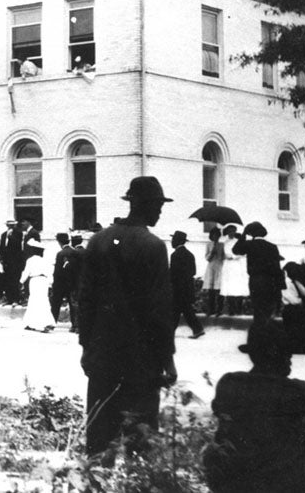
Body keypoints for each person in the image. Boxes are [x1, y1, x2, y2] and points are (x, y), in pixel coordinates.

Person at [78, 176, 177, 460]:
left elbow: (86, 301)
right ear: (146, 205)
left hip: (103, 353)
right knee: (141, 435)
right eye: (158, 205)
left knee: (99, 433)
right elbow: (160, 308)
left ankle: (95, 483)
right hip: (140, 357)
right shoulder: (153, 246)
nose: (159, 211)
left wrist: (87, 347)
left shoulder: (98, 241)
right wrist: (167, 358)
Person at [203, 321, 305, 492]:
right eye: (287, 353)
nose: (290, 359)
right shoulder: (296, 391)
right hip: (282, 483)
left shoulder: (229, 384)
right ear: (278, 354)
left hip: (236, 481)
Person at [232, 221, 286, 327]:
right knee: (268, 309)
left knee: (258, 309)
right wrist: (280, 287)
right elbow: (277, 268)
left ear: (251, 233)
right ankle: (267, 334)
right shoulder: (272, 247)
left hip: (255, 281)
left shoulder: (249, 245)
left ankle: (259, 334)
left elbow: (235, 250)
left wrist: (243, 234)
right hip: (270, 282)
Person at [169, 231, 205, 339]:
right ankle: (197, 329)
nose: (172, 241)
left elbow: (173, 273)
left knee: (178, 311)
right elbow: (193, 271)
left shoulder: (175, 255)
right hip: (187, 287)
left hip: (178, 288)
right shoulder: (190, 255)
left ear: (178, 241)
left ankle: (169, 332)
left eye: (173, 239)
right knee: (184, 310)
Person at [20, 239, 55, 332]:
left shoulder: (30, 260)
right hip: (44, 281)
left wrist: (21, 281)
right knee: (43, 300)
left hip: (35, 281)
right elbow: (50, 273)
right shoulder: (45, 261)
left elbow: (26, 272)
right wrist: (50, 284)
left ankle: (38, 323)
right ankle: (37, 322)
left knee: (34, 300)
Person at [280, 262, 305, 354]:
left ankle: (297, 347)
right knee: (294, 329)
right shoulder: (288, 283)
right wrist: (301, 302)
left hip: (292, 308)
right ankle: (297, 347)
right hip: (292, 308)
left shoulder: (292, 282)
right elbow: (294, 298)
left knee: (293, 329)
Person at [219, 224, 248, 315]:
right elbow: (226, 255)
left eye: (233, 231)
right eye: (230, 231)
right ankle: (231, 310)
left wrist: (235, 256)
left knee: (238, 287)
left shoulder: (238, 241)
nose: (232, 233)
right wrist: (235, 256)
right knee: (229, 287)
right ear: (227, 232)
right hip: (228, 267)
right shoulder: (224, 242)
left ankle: (238, 309)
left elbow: (243, 253)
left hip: (237, 267)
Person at [50, 233, 76, 323]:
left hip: (60, 283)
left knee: (56, 304)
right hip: (72, 282)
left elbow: (57, 271)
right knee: (72, 305)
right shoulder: (74, 252)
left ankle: (53, 321)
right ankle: (74, 324)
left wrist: (55, 284)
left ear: (59, 242)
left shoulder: (60, 254)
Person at [0, 220, 23, 305]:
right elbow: (1, 247)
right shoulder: (3, 235)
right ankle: (9, 299)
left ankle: (16, 299)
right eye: (9, 225)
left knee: (15, 280)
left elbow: (18, 245)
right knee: (7, 280)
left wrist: (11, 236)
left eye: (12, 225)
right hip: (6, 261)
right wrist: (1, 258)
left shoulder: (18, 233)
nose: (10, 227)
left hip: (15, 261)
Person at [203, 227, 225, 316]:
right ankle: (210, 310)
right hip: (211, 267)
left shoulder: (222, 245)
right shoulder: (208, 245)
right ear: (211, 236)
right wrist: (212, 252)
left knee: (219, 290)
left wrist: (219, 255)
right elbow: (207, 258)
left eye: (217, 235)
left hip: (219, 267)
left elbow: (223, 257)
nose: (215, 237)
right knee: (210, 290)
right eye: (214, 235)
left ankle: (219, 310)